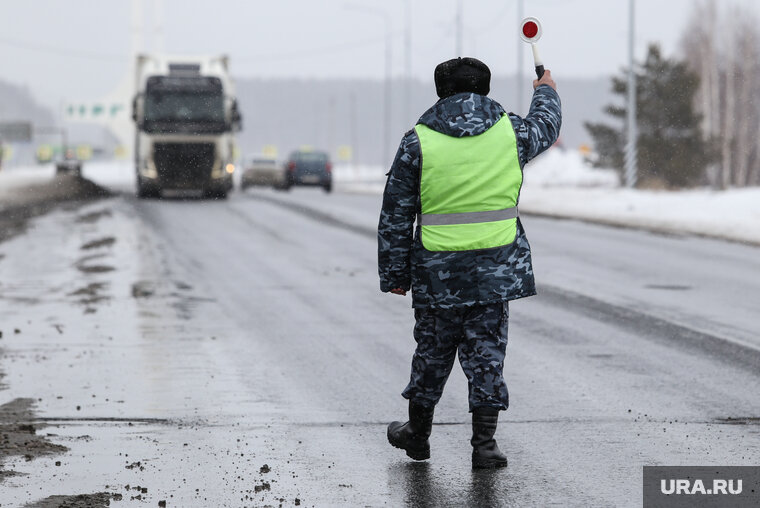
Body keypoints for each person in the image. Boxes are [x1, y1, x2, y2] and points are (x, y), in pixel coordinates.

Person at [377, 57, 561, 469]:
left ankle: (418, 436)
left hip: (437, 275)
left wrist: (394, 274)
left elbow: (395, 215)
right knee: (487, 356)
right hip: (494, 272)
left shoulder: (417, 142)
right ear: (486, 89)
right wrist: (544, 87)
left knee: (431, 354)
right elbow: (546, 124)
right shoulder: (510, 133)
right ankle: (484, 445)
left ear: (440, 91)